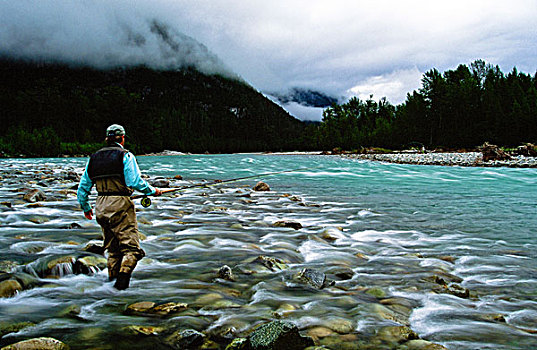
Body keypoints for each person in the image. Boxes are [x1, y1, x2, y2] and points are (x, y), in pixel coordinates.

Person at [77, 124, 162, 290]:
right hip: (121, 205)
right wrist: (153, 191)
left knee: (114, 251)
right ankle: (121, 285)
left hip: (101, 206)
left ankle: (111, 288)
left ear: (106, 138)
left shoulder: (94, 158)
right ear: (122, 138)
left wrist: (86, 208)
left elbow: (83, 188)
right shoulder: (125, 156)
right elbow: (134, 182)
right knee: (132, 250)